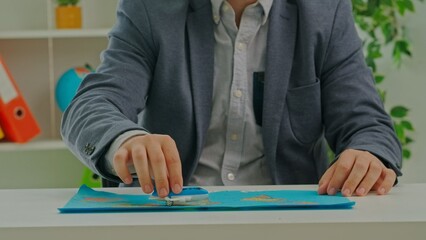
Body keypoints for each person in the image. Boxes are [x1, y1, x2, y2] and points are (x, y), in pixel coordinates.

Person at [61, 0, 402, 199]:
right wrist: (127, 138)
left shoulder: (325, 11)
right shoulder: (152, 7)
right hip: (173, 216)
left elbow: (368, 124)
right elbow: (93, 104)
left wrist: (367, 155)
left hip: (290, 220)